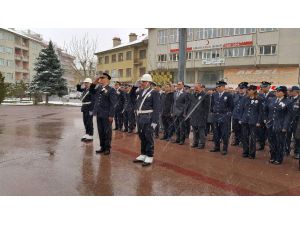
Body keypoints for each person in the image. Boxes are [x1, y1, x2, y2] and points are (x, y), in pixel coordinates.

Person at [133, 74, 160, 166]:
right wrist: (135, 86)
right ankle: (143, 153)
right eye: (142, 81)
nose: (142, 83)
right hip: (140, 117)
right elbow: (131, 96)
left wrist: (155, 122)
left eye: (144, 81)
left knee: (148, 137)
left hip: (149, 118)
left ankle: (149, 155)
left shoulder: (154, 93)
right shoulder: (140, 91)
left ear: (149, 83)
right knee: (142, 136)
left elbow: (157, 108)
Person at [90, 72, 117, 155]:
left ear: (107, 80)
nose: (101, 79)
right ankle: (102, 147)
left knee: (107, 131)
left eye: (103, 78)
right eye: (100, 78)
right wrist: (95, 81)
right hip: (99, 113)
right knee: (100, 131)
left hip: (107, 114)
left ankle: (107, 148)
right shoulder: (99, 88)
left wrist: (111, 115)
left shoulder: (111, 90)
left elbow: (113, 104)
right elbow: (91, 91)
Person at [264, 86, 292, 165]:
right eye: (276, 91)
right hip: (270, 124)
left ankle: (279, 158)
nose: (276, 92)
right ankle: (273, 156)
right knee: (271, 141)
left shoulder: (288, 102)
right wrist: (266, 120)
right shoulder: (272, 100)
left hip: (280, 125)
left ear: (283, 92)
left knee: (280, 142)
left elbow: (288, 116)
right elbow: (266, 110)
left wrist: (285, 126)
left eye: (278, 91)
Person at [210, 80, 234, 155]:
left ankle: (224, 148)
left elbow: (231, 106)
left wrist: (228, 114)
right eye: (217, 87)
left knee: (224, 133)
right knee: (216, 133)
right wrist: (212, 112)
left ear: (223, 87)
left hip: (224, 117)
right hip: (215, 116)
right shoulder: (215, 94)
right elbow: (212, 104)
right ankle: (216, 147)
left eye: (219, 86)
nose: (217, 88)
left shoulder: (228, 95)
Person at [239, 85, 262, 159]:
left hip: (253, 121)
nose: (248, 91)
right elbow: (241, 109)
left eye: (249, 90)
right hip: (245, 120)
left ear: (254, 90)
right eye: (248, 90)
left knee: (252, 138)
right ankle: (245, 151)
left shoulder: (259, 99)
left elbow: (260, 112)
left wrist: (258, 121)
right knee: (244, 137)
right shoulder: (245, 98)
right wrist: (241, 118)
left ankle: (252, 153)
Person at [188, 83, 210, 149]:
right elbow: (191, 105)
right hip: (194, 116)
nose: (196, 89)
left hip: (201, 116)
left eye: (197, 87)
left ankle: (202, 143)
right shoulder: (193, 95)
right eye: (195, 87)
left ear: (201, 87)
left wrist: (205, 116)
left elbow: (207, 107)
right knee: (194, 130)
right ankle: (195, 142)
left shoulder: (205, 95)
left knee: (201, 131)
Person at [257, 81, 275, 150]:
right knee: (260, 132)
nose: (263, 88)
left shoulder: (273, 96)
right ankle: (261, 145)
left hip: (269, 117)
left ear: (269, 87)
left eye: (265, 87)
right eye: (262, 87)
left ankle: (271, 147)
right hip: (261, 117)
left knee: (269, 133)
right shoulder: (259, 95)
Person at [171, 81, 190, 145]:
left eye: (179, 84)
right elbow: (173, 103)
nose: (178, 85)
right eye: (177, 84)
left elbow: (186, 104)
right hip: (175, 112)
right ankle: (178, 138)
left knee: (182, 127)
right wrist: (172, 111)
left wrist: (184, 112)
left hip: (181, 113)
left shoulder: (185, 93)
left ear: (182, 85)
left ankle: (182, 140)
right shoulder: (175, 93)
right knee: (176, 127)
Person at [77, 78, 94, 142]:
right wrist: (79, 83)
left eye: (87, 83)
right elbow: (78, 89)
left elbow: (93, 100)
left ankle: (91, 135)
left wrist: (92, 109)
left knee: (89, 122)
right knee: (85, 121)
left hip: (89, 108)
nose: (86, 84)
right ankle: (87, 134)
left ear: (90, 83)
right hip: (84, 107)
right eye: (85, 83)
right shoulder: (84, 89)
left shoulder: (91, 90)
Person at [232, 82, 248, 146]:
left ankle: (242, 141)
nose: (241, 89)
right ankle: (237, 141)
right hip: (235, 116)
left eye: (242, 88)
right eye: (240, 88)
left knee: (243, 130)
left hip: (243, 116)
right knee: (236, 129)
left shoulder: (247, 97)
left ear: (246, 89)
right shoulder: (235, 95)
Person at [286, 86, 300, 159]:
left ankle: (297, 152)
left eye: (291, 91)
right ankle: (286, 150)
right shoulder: (288, 99)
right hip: (288, 122)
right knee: (287, 136)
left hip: (297, 123)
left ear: (296, 91)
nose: (289, 92)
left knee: (297, 138)